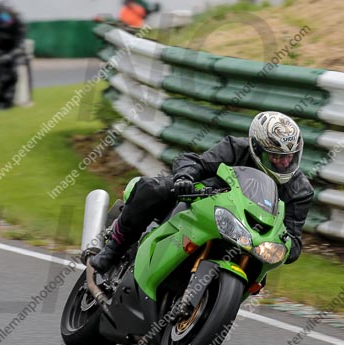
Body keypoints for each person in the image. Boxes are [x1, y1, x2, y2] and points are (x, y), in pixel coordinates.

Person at [89, 110, 314, 274]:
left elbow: (293, 239)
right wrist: (185, 178)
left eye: (290, 156)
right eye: (276, 156)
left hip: (248, 237)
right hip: (206, 204)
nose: (284, 162)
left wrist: (283, 246)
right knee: (154, 188)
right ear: (256, 148)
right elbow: (196, 162)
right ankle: (114, 249)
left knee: (260, 271)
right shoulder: (235, 148)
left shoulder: (300, 190)